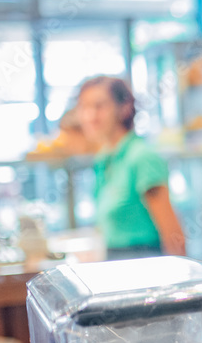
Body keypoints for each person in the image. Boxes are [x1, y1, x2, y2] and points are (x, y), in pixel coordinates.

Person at [76, 76, 186, 260]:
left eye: (99, 106)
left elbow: (174, 236)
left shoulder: (141, 157)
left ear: (124, 108)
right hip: (116, 265)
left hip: (144, 267)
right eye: (84, 107)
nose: (90, 116)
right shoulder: (104, 158)